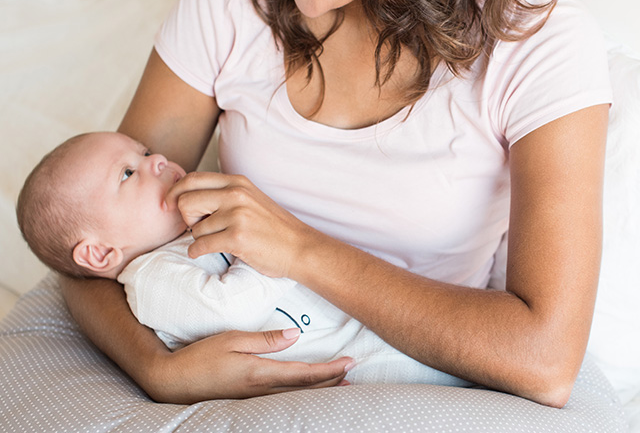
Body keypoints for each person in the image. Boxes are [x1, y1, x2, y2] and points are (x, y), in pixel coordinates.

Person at [59, 0, 613, 411]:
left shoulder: (533, 40)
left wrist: (300, 250)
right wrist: (160, 370)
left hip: (412, 388)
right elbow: (89, 239)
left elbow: (544, 358)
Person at [17, 130, 471, 388]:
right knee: (440, 372)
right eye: (128, 173)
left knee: (450, 355)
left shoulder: (183, 238)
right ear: (100, 253)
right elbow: (230, 308)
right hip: (346, 359)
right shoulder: (151, 280)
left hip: (356, 325)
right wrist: (269, 247)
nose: (156, 161)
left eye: (146, 150)